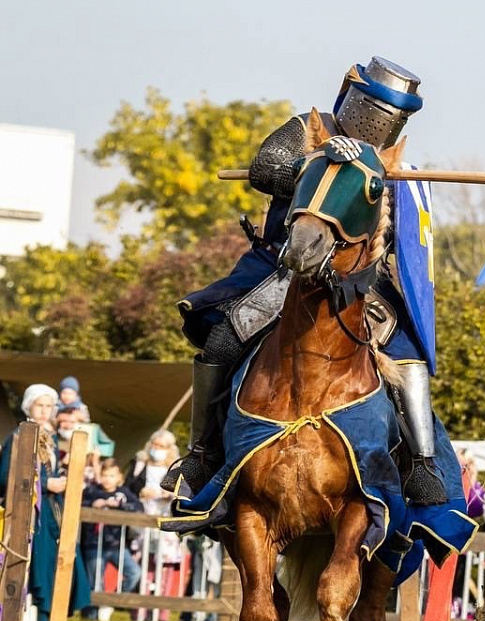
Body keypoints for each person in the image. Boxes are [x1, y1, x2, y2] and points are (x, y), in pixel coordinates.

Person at [164, 56, 450, 513]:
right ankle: (202, 457)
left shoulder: (392, 165)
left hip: (355, 275)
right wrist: (322, 159)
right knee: (222, 341)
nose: (381, 120)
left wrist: (377, 186)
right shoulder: (309, 129)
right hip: (284, 261)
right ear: (354, 94)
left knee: (407, 354)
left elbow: (399, 237)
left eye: (394, 114)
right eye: (376, 106)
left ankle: (421, 464)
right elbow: (264, 168)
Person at [0, 384, 92, 621]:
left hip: (51, 512)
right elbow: (6, 476)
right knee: (33, 565)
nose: (44, 410)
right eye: (39, 405)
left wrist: (59, 480)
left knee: (58, 562)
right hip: (27, 512)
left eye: (49, 406)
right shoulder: (20, 435)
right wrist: (42, 484)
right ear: (29, 406)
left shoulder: (49, 438)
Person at [126, 431, 184, 621]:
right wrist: (141, 493)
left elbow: (183, 493)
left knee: (164, 568)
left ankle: (162, 614)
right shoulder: (140, 465)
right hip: (144, 521)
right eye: (155, 445)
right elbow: (128, 489)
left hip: (166, 520)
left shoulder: (176, 468)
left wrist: (168, 495)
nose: (157, 449)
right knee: (144, 566)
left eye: (162, 446)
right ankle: (139, 611)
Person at [81, 459, 144, 613]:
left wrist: (120, 505)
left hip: (117, 544)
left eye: (111, 476)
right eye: (105, 475)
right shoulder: (91, 491)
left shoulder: (123, 493)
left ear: (119, 478)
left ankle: (112, 601)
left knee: (134, 573)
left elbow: (138, 507)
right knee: (95, 582)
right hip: (94, 544)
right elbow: (80, 504)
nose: (107, 479)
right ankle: (91, 615)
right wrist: (93, 505)